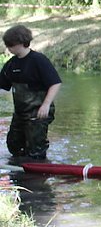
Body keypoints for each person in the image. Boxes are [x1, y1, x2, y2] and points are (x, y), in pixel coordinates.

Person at [0, 25, 62, 160]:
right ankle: (20, 173)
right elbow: (2, 86)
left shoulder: (38, 60)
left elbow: (55, 83)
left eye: (11, 44)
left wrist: (46, 105)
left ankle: (38, 173)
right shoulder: (10, 65)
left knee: (35, 150)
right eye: (7, 45)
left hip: (38, 112)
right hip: (20, 113)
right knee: (14, 145)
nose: (8, 48)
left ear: (22, 42)